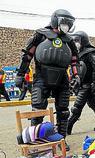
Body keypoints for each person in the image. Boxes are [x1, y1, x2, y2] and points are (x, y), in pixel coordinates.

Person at [15, 9, 80, 149]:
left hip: (62, 77)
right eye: (65, 22)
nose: (67, 26)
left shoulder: (69, 40)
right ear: (56, 20)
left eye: (69, 23)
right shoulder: (41, 34)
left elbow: (74, 60)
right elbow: (28, 56)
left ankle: (61, 139)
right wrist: (20, 74)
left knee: (63, 111)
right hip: (41, 76)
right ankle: (35, 138)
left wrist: (76, 76)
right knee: (37, 110)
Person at [67, 31, 95, 135]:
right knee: (94, 105)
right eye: (74, 41)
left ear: (83, 40)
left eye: (77, 40)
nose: (76, 43)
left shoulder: (90, 52)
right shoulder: (77, 53)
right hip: (82, 84)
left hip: (87, 85)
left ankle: (68, 127)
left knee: (77, 107)